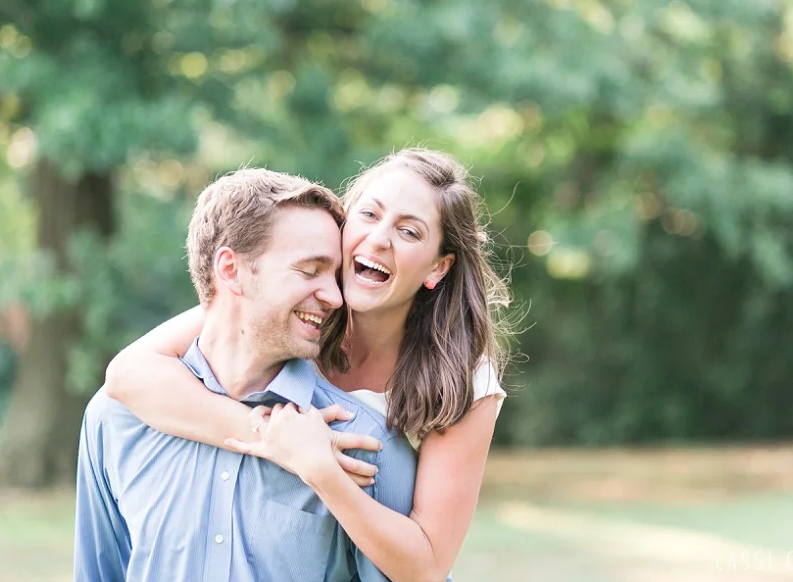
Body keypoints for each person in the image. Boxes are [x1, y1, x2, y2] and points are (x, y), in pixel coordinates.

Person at [105, 148, 513, 582]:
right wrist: (274, 437)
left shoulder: (463, 377)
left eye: (409, 231)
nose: (379, 239)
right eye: (369, 214)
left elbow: (427, 566)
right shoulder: (293, 304)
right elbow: (128, 373)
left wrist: (320, 468)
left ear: (438, 267)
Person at [74, 168, 420, 582]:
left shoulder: (364, 444)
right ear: (231, 269)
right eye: (310, 270)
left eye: (335, 275)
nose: (335, 296)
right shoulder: (115, 418)